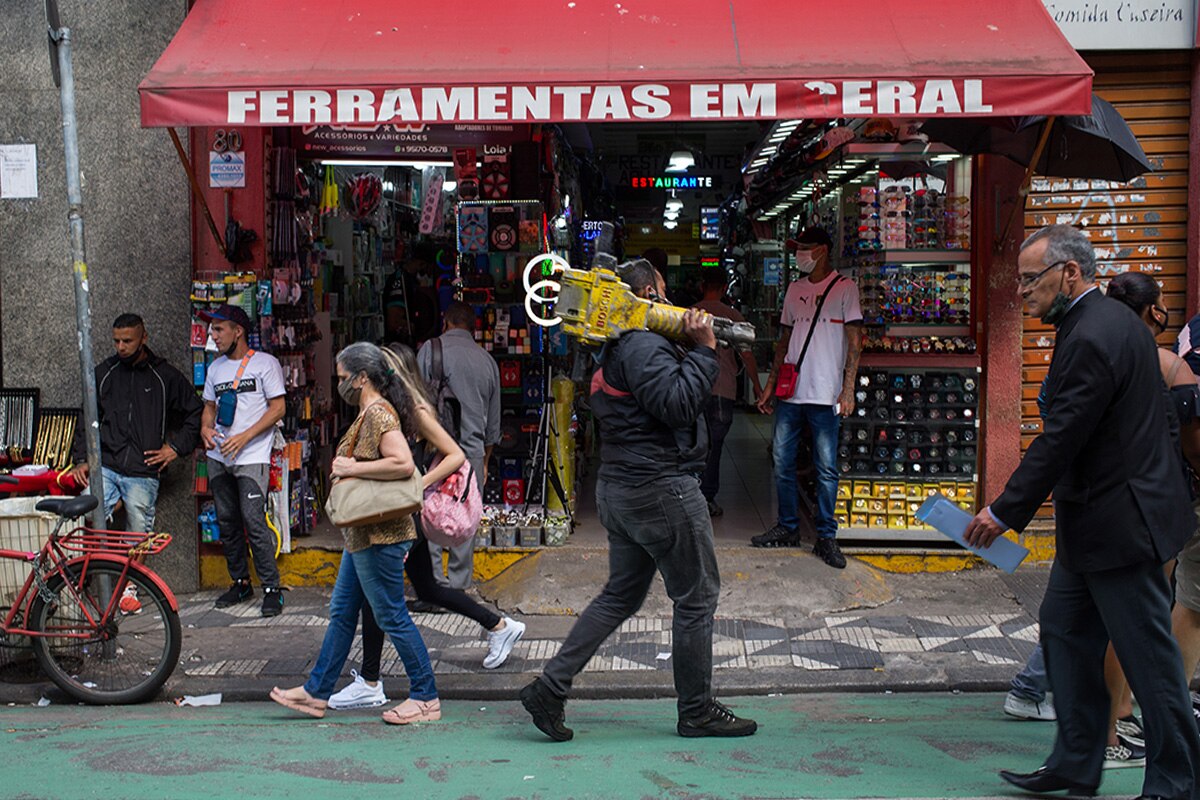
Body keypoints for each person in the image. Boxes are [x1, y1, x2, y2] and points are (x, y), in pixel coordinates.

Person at [964, 225, 1200, 800]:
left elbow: (1061, 437)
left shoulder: (1093, 335)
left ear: (1070, 273)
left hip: (1120, 526)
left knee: (1149, 658)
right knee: (1066, 632)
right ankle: (1075, 761)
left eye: (1030, 279)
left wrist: (1004, 510)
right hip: (1099, 522)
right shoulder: (1118, 324)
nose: (1023, 291)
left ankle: (1177, 780)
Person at [520, 260, 757, 742]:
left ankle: (550, 688)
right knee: (696, 597)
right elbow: (676, 405)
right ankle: (697, 710)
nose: (669, 301)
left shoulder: (614, 346)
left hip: (623, 488)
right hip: (660, 489)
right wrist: (706, 351)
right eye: (664, 292)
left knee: (620, 595)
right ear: (648, 291)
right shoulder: (643, 343)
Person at [326, 343, 526, 710]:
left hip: (406, 514)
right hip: (398, 513)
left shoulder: (414, 409)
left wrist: (418, 484)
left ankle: (374, 680)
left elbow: (455, 454)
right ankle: (497, 625)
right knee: (425, 588)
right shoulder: (394, 408)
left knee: (381, 598)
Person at [270, 343, 441, 725]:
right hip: (361, 534)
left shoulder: (379, 414)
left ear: (363, 378)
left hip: (381, 534)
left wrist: (351, 468)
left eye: (344, 377)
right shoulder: (368, 412)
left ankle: (426, 698)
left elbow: (401, 463)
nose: (341, 384)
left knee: (392, 615)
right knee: (343, 613)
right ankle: (317, 692)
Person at [1110, 272, 1200, 737]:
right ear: (1153, 311)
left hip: (1112, 503)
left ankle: (1121, 715)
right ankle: (1123, 716)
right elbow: (1191, 438)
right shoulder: (1168, 366)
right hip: (1158, 505)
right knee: (1142, 610)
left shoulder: (1093, 355)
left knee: (1115, 610)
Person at [754, 227, 863, 569]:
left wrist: (848, 390)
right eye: (798, 247)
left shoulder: (845, 289)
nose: (800, 253)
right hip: (792, 395)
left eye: (805, 247)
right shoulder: (794, 289)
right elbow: (783, 342)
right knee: (783, 464)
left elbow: (856, 344)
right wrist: (770, 385)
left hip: (826, 394)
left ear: (822, 250)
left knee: (826, 468)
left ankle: (826, 537)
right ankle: (787, 528)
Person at [68, 313, 202, 533]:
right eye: (116, 341)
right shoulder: (104, 373)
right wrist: (82, 458)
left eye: (128, 341)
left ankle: (128, 568)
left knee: (139, 536)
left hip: (144, 470)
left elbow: (196, 411)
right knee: (87, 516)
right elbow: (87, 417)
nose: (121, 347)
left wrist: (176, 448)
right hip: (106, 465)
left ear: (144, 338)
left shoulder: (164, 376)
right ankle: (100, 561)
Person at [199, 305, 288, 617]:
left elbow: (278, 408)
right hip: (218, 454)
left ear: (238, 330)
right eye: (212, 329)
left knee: (253, 518)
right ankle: (239, 581)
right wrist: (205, 428)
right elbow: (209, 406)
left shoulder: (266, 364)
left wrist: (246, 436)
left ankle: (272, 588)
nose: (213, 334)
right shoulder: (214, 369)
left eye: (219, 329)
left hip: (251, 454)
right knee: (227, 521)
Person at [416, 301, 500, 590]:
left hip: (434, 451)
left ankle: (434, 583)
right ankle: (459, 585)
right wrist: (485, 461)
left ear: (445, 322)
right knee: (465, 516)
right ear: (474, 329)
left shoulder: (430, 350)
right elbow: (494, 423)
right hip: (472, 452)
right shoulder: (487, 361)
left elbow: (415, 401)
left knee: (429, 513)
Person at [693, 266, 763, 517]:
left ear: (702, 286)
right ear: (724, 289)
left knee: (691, 443)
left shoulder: (689, 314)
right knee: (715, 446)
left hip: (692, 388)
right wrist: (757, 386)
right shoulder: (733, 316)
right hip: (722, 390)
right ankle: (707, 498)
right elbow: (747, 356)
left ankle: (690, 497)